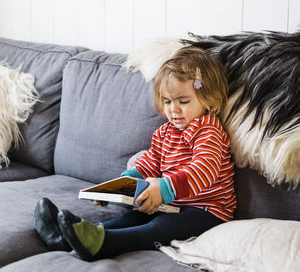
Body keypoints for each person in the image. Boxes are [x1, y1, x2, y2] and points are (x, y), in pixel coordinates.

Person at [34, 46, 236, 262]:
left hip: (206, 213)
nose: (173, 110)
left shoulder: (208, 130)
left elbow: (204, 169)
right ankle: (67, 236)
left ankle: (105, 243)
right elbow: (150, 162)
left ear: (209, 100)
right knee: (135, 216)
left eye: (183, 101)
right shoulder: (165, 132)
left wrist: (165, 188)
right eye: (167, 101)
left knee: (160, 226)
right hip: (170, 204)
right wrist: (121, 184)